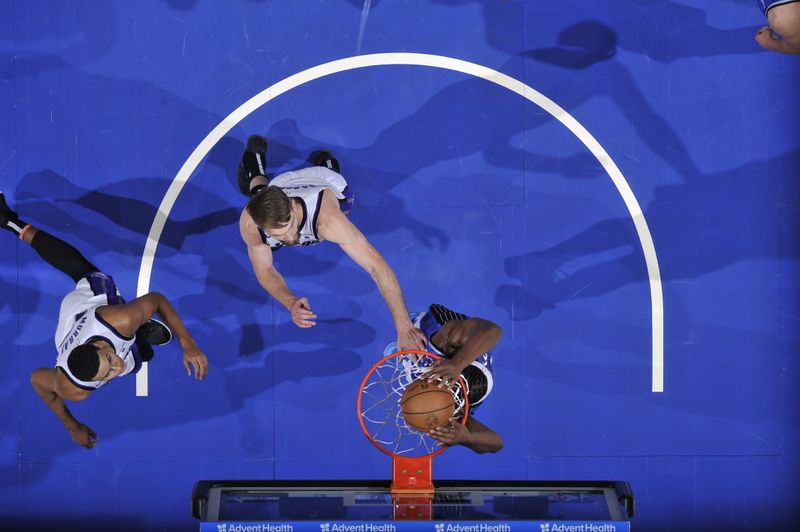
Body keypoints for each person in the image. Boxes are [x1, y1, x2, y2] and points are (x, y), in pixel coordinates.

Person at [1, 192, 208, 449]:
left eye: (110, 361)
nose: (116, 368)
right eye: (107, 374)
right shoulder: (74, 389)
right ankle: (139, 336)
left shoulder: (118, 319)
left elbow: (156, 299)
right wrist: (72, 426)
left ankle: (9, 222)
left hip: (85, 306)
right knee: (140, 360)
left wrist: (187, 342)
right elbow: (36, 380)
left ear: (99, 347)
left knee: (83, 270)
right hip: (69, 335)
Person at [236, 135, 426, 351]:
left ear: (292, 206)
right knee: (259, 195)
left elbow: (377, 267)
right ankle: (253, 160)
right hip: (282, 186)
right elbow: (264, 269)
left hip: (326, 184)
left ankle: (328, 165)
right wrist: (290, 302)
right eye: (278, 236)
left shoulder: (329, 221)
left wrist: (403, 327)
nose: (289, 240)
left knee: (330, 177)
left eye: (289, 227)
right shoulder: (250, 225)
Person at [384, 303, 504, 454]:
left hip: (436, 366)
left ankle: (405, 358)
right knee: (452, 337)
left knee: (412, 360)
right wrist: (456, 364)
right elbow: (492, 329)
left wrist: (467, 439)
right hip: (445, 336)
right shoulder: (442, 339)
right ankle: (413, 326)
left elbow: (497, 444)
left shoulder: (450, 411)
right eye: (427, 389)